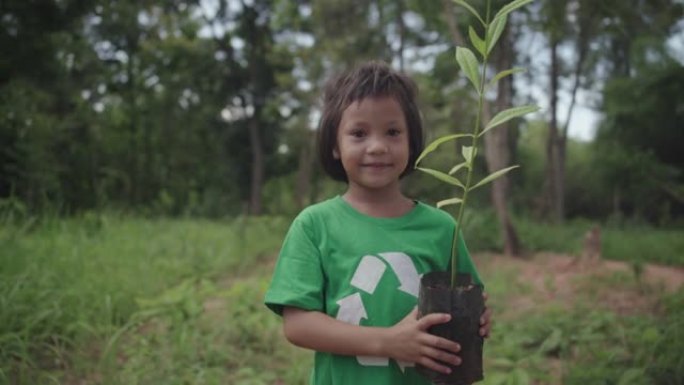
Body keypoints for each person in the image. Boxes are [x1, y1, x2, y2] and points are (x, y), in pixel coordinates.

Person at [264, 61, 491, 385]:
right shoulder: (314, 225)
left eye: (393, 132)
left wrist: (479, 319)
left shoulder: (441, 228)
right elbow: (297, 324)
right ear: (334, 145)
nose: (378, 146)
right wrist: (389, 342)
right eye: (358, 133)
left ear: (412, 143)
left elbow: (469, 300)